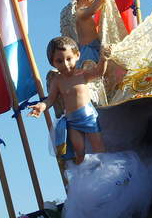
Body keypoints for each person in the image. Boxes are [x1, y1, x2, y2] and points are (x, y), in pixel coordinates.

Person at [29, 36, 111, 164]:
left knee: (98, 147)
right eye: (59, 61)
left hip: (88, 117)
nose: (65, 64)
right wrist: (41, 106)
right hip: (72, 121)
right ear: (53, 63)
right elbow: (50, 99)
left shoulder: (82, 74)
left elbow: (98, 72)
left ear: (77, 55)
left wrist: (104, 59)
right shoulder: (57, 80)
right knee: (78, 150)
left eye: (69, 59)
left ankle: (105, 171)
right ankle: (82, 175)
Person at [70, 0, 106, 67]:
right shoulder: (79, 12)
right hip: (89, 52)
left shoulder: (81, 12)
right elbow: (94, 9)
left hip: (93, 48)